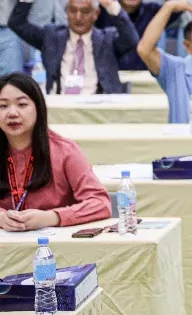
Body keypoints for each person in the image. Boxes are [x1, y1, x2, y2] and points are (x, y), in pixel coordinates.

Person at [0, 73, 111, 231]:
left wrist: (52, 217)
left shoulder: (65, 151)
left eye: (22, 104)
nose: (12, 113)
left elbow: (100, 203)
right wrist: (2, 218)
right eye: (3, 106)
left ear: (38, 108)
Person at [9, 0, 139, 95]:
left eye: (85, 11)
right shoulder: (51, 36)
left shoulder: (107, 40)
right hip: (59, 105)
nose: (78, 17)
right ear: (66, 12)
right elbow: (17, 23)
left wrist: (112, 5)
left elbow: (132, 39)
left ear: (96, 14)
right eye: (73, 10)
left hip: (99, 107)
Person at [84, 0, 180, 71]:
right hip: (108, 77)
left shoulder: (152, 12)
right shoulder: (103, 11)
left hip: (144, 77)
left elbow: (177, 7)